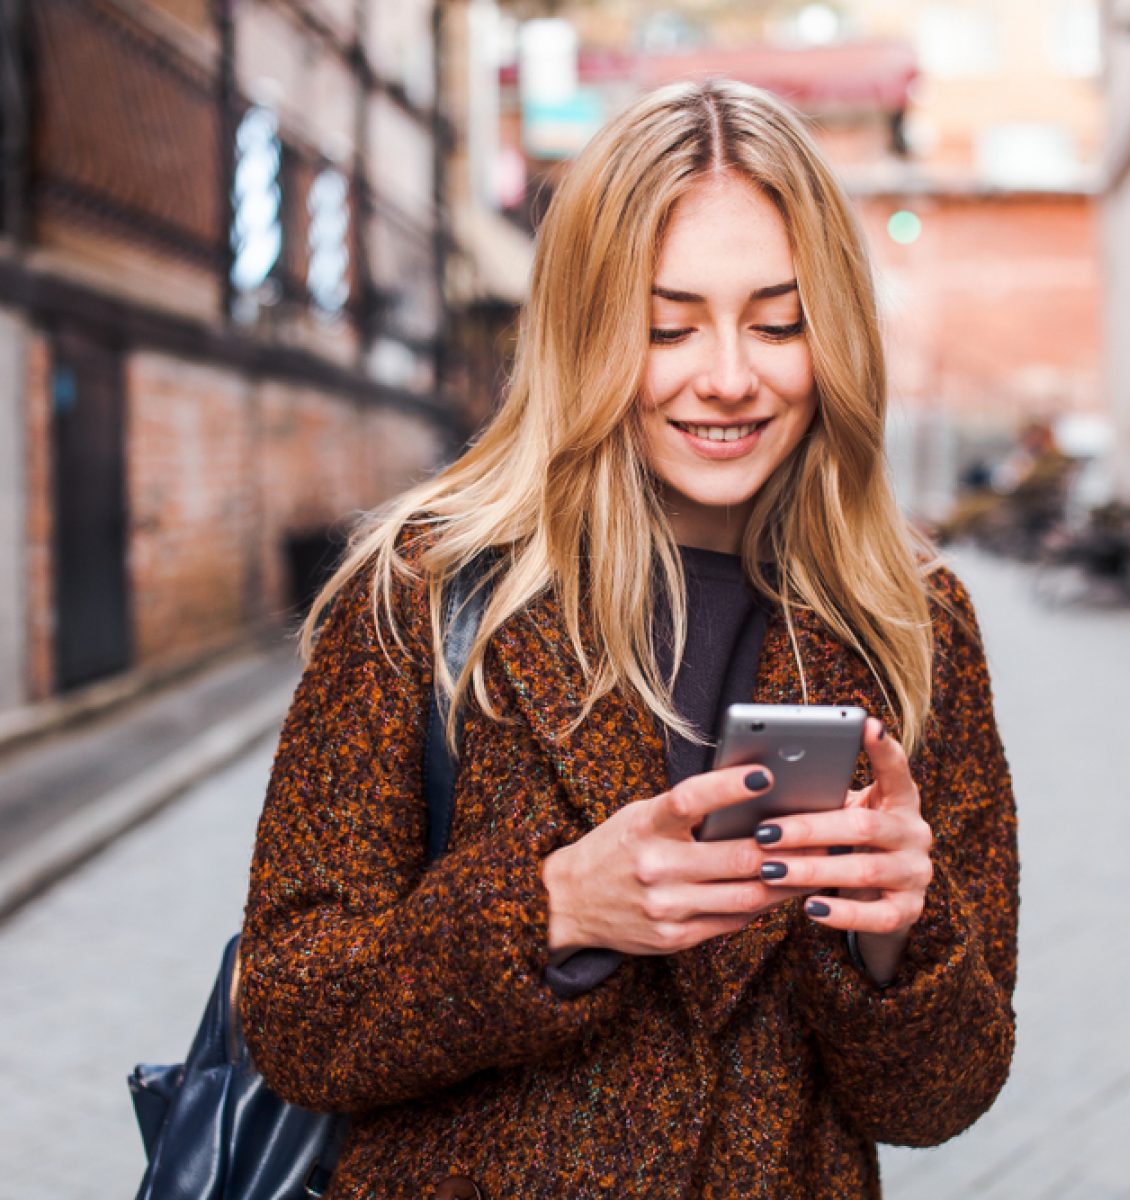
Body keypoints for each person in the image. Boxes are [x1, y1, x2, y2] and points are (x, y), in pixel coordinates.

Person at [239, 78, 1018, 1200]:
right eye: (668, 326)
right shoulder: (429, 590)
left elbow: (942, 1098)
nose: (730, 377)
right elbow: (293, 1017)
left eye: (778, 321)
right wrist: (553, 910)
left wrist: (896, 937)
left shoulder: (909, 618)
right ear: (587, 328)